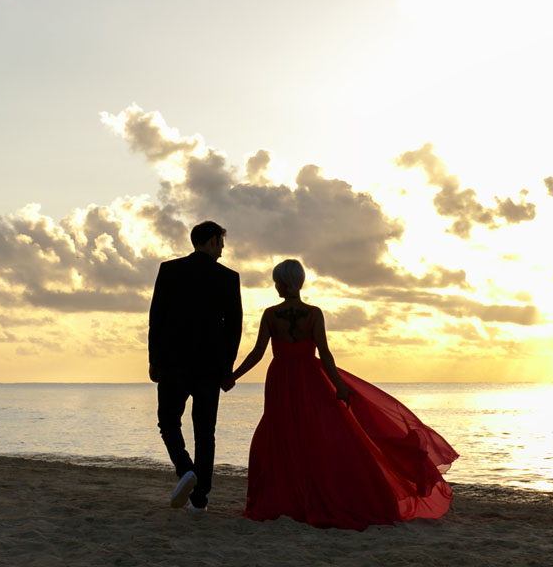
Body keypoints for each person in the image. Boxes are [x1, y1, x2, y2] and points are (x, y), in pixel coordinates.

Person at [232, 259, 458, 530]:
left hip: (281, 378)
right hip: (308, 378)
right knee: (312, 437)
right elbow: (324, 354)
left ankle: (288, 497)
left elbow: (258, 353)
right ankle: (305, 495)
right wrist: (337, 384)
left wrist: (233, 376)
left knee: (281, 436)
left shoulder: (270, 314)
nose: (275, 286)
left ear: (283, 282)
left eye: (276, 281)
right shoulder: (313, 314)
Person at [148, 220, 243, 514]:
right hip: (210, 366)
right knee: (205, 431)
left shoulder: (169, 270)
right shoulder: (228, 277)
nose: (223, 250)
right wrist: (227, 368)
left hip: (174, 361)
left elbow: (157, 318)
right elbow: (234, 328)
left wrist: (154, 359)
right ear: (212, 241)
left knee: (168, 422)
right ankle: (200, 498)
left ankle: (185, 470)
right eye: (221, 243)